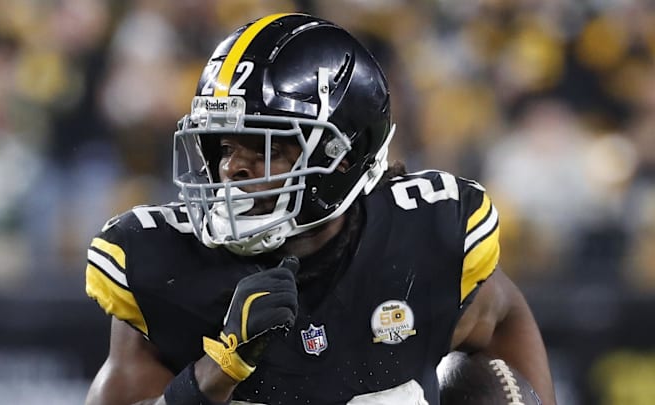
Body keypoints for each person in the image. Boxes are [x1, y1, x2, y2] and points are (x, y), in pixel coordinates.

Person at [84, 13, 556, 405]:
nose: (232, 168)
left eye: (265, 149)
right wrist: (215, 373)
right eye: (225, 147)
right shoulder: (166, 266)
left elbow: (503, 318)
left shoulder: (422, 239)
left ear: (343, 157)